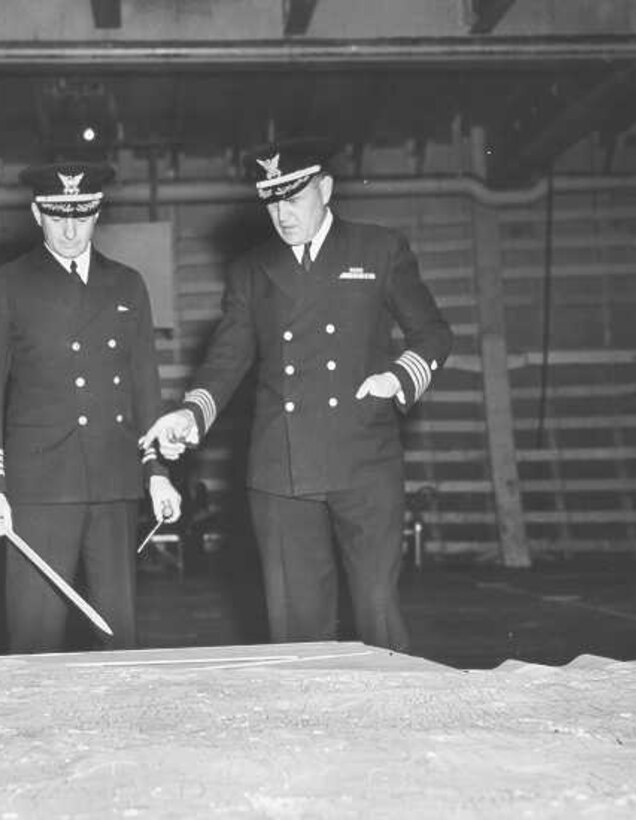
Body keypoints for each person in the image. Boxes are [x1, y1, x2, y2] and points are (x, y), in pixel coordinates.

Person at [140, 138, 452, 652]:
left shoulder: (378, 250)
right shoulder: (250, 271)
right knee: (297, 628)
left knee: (377, 611)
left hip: (364, 460)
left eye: (294, 198)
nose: (282, 215)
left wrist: (397, 378)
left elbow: (434, 334)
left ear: (325, 189)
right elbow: (226, 359)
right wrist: (191, 414)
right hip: (281, 468)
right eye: (272, 201)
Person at [0, 160, 181, 653]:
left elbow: (144, 388)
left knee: (118, 635)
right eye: (58, 215)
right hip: (38, 487)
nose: (69, 229)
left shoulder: (128, 285)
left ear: (97, 212)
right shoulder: (7, 285)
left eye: (81, 215)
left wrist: (157, 472)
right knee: (34, 636)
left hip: (114, 481)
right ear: (36, 213)